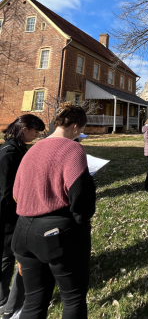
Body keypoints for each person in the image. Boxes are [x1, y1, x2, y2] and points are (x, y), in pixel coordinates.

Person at [12, 102, 96, 318]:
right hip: (56, 233)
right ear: (75, 126)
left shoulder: (32, 150)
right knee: (73, 298)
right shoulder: (73, 148)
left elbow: (16, 193)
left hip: (22, 232)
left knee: (33, 301)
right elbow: (81, 202)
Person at [0, 115, 45, 318]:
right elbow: (6, 192)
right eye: (35, 131)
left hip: (14, 212)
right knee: (7, 257)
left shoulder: (18, 149)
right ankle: (3, 299)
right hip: (8, 215)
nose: (35, 136)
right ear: (24, 128)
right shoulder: (8, 153)